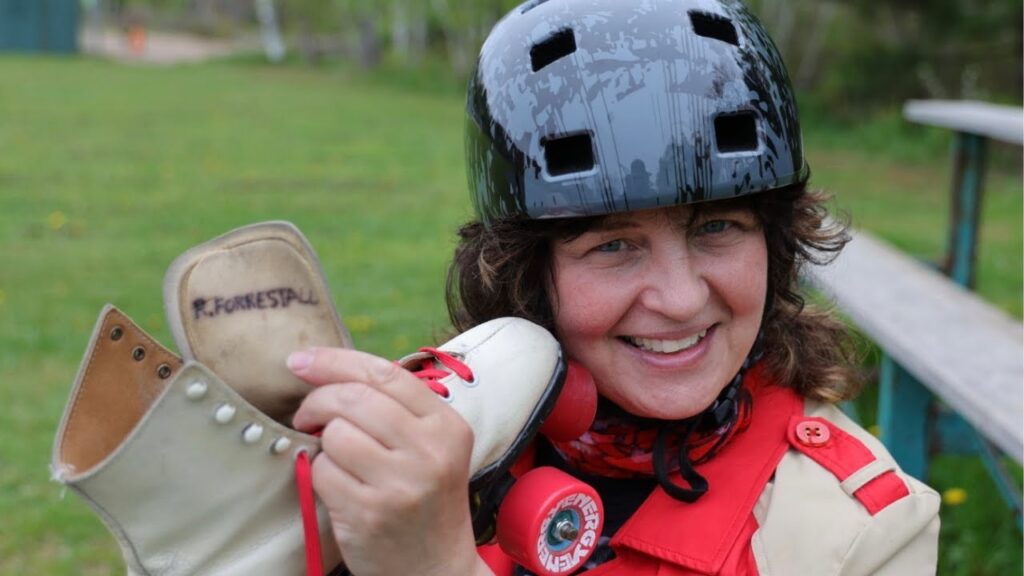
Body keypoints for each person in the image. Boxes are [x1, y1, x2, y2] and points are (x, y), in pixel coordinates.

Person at [286, 0, 941, 574]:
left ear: (775, 241)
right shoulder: (459, 436)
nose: (681, 298)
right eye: (614, 246)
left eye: (717, 227)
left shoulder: (861, 532)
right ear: (528, 273)